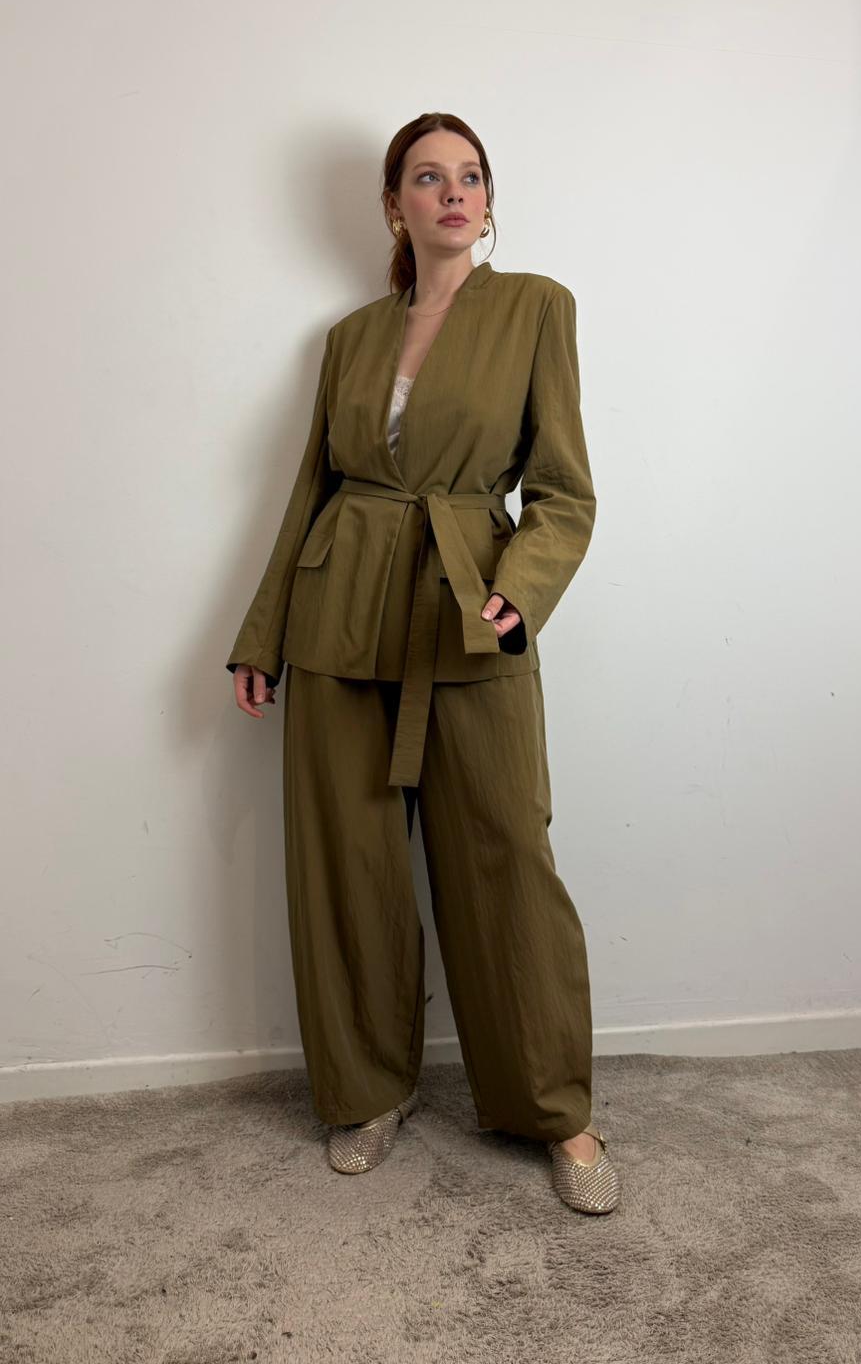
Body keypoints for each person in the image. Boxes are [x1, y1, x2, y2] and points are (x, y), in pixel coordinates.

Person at [226, 112, 621, 1215]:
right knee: (346, 867)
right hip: (338, 614)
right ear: (394, 204)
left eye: (472, 176)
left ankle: (555, 1108)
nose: (455, 192)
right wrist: (264, 635)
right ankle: (367, 1091)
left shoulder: (536, 307)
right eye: (428, 176)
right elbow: (310, 490)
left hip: (469, 613)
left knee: (507, 856)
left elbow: (565, 490)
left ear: (488, 202)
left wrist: (520, 591)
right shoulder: (350, 337)